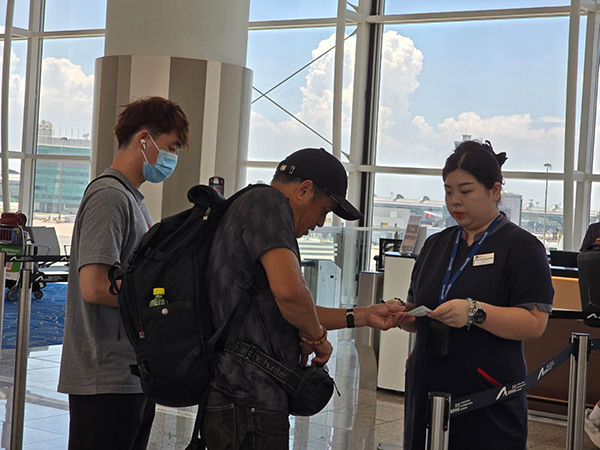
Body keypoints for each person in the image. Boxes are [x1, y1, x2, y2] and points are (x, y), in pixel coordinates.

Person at [201, 148, 412, 449]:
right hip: (248, 396)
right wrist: (318, 338)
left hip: (242, 396)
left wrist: (364, 315)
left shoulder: (250, 206)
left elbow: (296, 308)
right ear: (304, 190)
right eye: (324, 210)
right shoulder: (268, 203)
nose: (322, 223)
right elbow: (291, 293)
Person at [400, 140, 554, 450]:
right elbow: (417, 310)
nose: (454, 201)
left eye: (466, 191)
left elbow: (534, 324)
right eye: (448, 191)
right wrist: (402, 314)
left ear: (495, 191)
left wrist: (475, 312)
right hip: (427, 384)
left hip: (486, 390)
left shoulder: (523, 247)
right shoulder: (436, 245)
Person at [58, 97, 190, 450]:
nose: (172, 157)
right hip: (104, 376)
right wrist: (160, 301)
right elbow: (94, 286)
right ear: (144, 139)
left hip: (130, 372)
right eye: (171, 147)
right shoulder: (109, 196)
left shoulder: (132, 200)